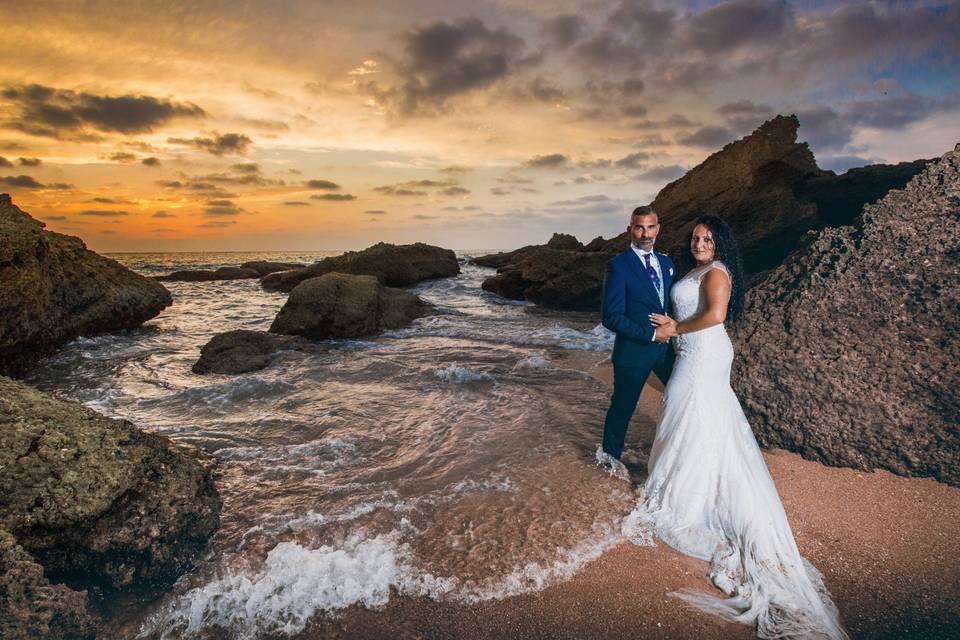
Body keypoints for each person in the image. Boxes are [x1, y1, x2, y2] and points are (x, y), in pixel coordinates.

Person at [630, 215, 848, 639]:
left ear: (719, 244)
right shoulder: (694, 269)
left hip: (705, 353)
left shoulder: (717, 273)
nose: (699, 243)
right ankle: (687, 481)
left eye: (708, 238)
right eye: (695, 237)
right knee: (692, 417)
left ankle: (689, 496)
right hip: (692, 351)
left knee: (693, 411)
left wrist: (676, 329)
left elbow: (715, 315)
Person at [596, 205, 675, 478]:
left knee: (681, 398)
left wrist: (672, 325)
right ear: (631, 229)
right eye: (639, 227)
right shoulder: (618, 266)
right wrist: (652, 334)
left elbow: (667, 303)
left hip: (666, 351)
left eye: (651, 227)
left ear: (658, 228)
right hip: (633, 354)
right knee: (622, 409)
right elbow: (611, 317)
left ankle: (676, 456)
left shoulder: (666, 263)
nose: (645, 233)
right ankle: (609, 461)